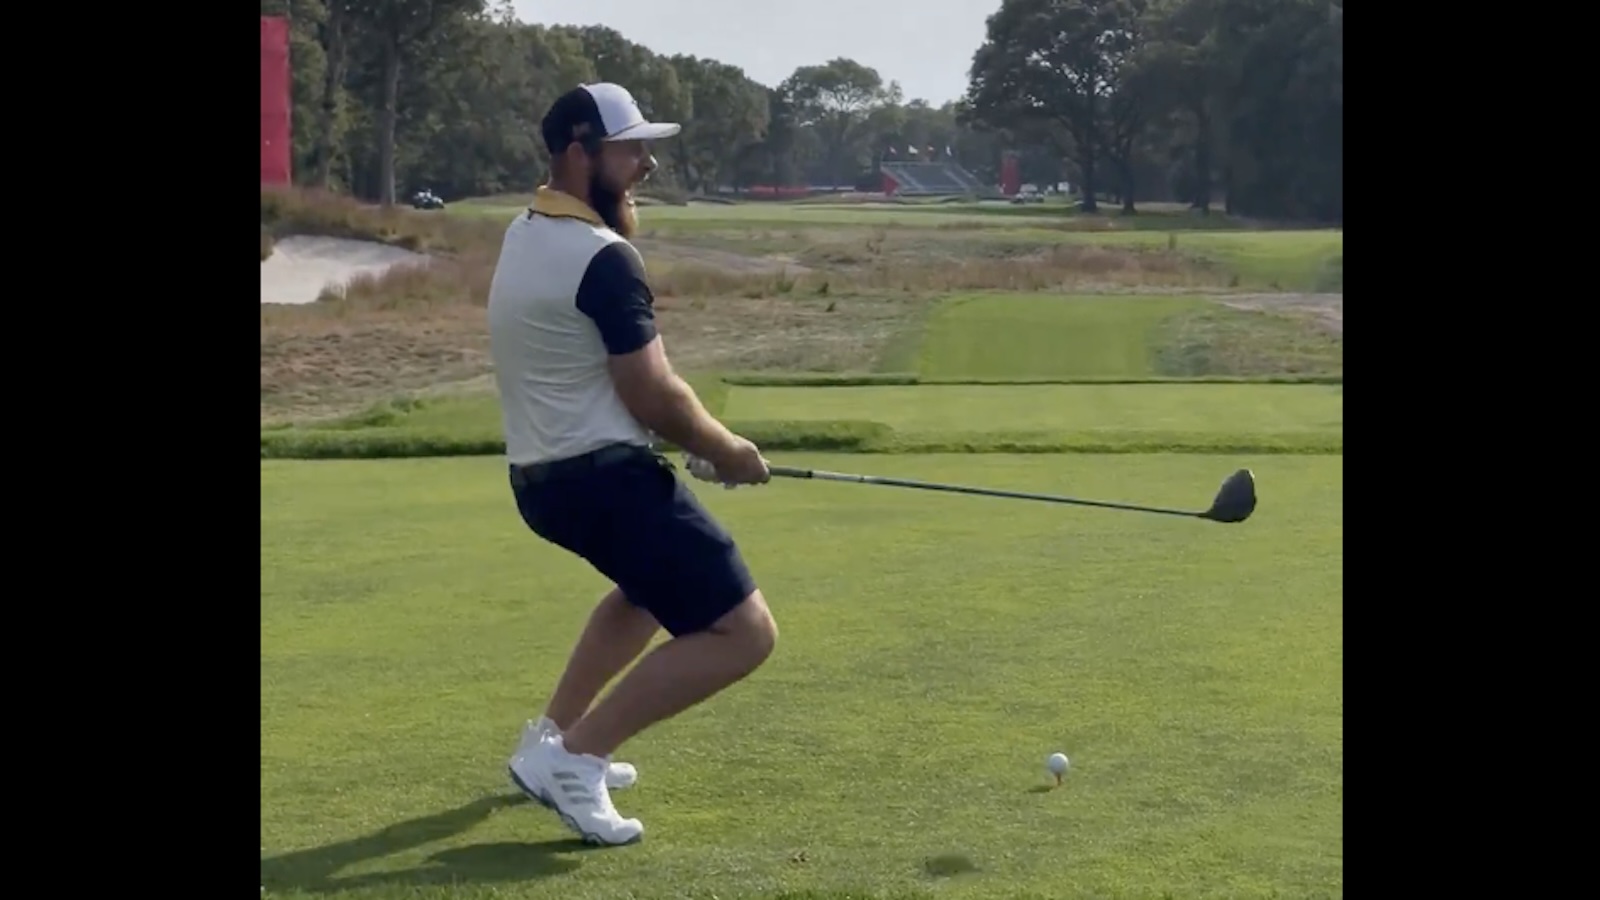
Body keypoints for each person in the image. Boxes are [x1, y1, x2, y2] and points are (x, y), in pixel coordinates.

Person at [486, 82, 779, 847]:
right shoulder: (603, 258)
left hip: (546, 481)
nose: (647, 162)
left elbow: (588, 376)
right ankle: (578, 759)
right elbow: (652, 390)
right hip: (600, 479)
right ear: (581, 154)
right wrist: (728, 450)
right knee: (743, 633)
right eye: (631, 148)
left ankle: (546, 744)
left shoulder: (525, 230)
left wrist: (686, 442)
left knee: (646, 595)